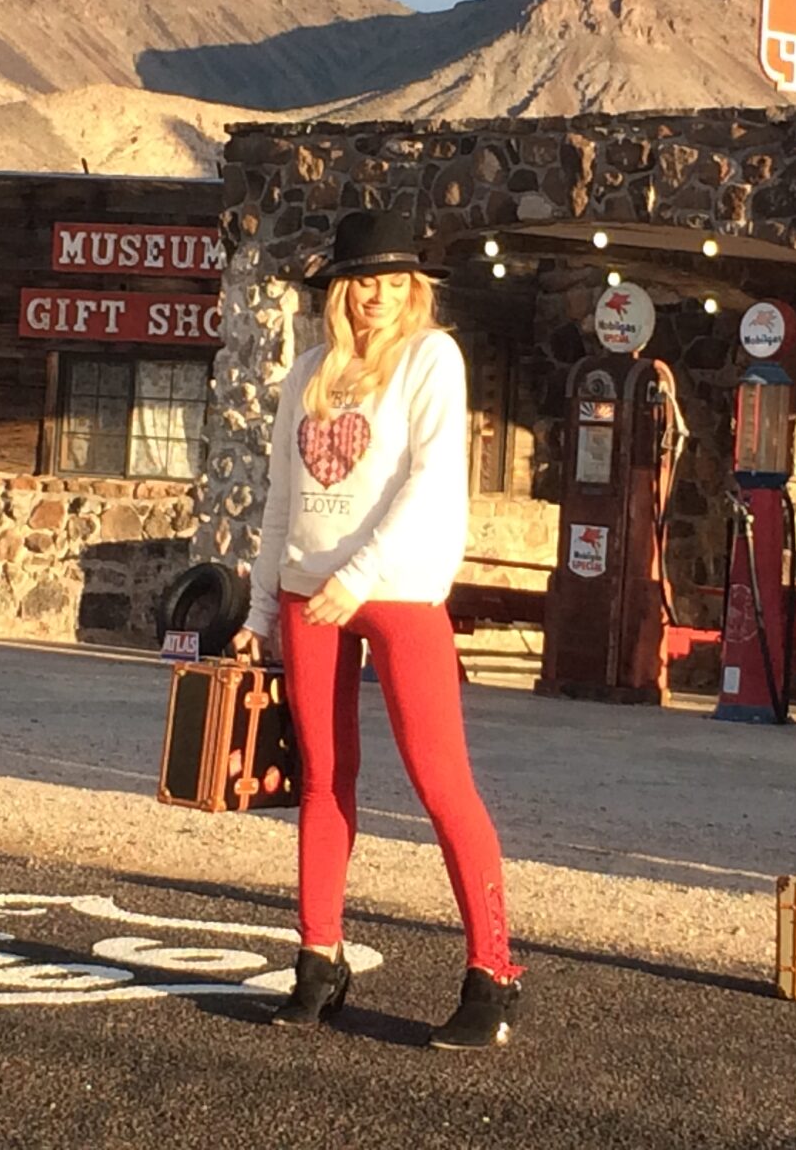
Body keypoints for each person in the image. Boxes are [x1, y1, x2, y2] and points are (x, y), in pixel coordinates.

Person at [231, 208, 522, 1051]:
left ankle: (494, 973)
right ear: (340, 291)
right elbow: (283, 497)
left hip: (396, 590)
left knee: (441, 782)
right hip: (306, 594)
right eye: (365, 283)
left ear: (414, 289)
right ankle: (317, 961)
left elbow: (429, 483)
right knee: (323, 782)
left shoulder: (432, 359)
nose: (379, 297)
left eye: (396, 283)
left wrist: (354, 578)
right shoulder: (309, 372)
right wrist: (259, 610)